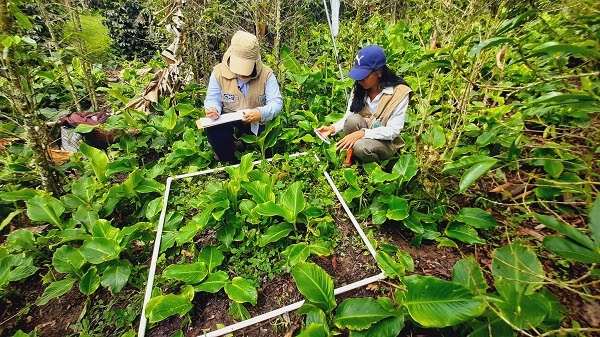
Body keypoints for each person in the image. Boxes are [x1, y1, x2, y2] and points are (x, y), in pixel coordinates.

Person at [316, 45, 412, 163]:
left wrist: (362, 133)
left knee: (361, 146)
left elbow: (393, 131)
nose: (360, 80)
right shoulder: (359, 88)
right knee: (352, 120)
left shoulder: (399, 93)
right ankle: (351, 156)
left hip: (385, 142)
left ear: (379, 72)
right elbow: (348, 117)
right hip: (363, 132)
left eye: (364, 76)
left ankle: (374, 166)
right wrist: (332, 129)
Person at [203, 31, 283, 164]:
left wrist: (260, 113)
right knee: (214, 129)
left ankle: (263, 160)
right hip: (230, 119)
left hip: (258, 122)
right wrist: (213, 109)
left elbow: (276, 103)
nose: (242, 76)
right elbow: (212, 98)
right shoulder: (218, 72)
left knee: (269, 149)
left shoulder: (267, 75)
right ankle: (228, 161)